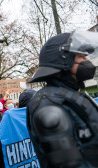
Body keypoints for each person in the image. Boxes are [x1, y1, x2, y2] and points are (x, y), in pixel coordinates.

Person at [27, 31, 98, 168]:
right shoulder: (48, 105)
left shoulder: (71, 96)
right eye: (81, 56)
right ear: (63, 60)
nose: (86, 61)